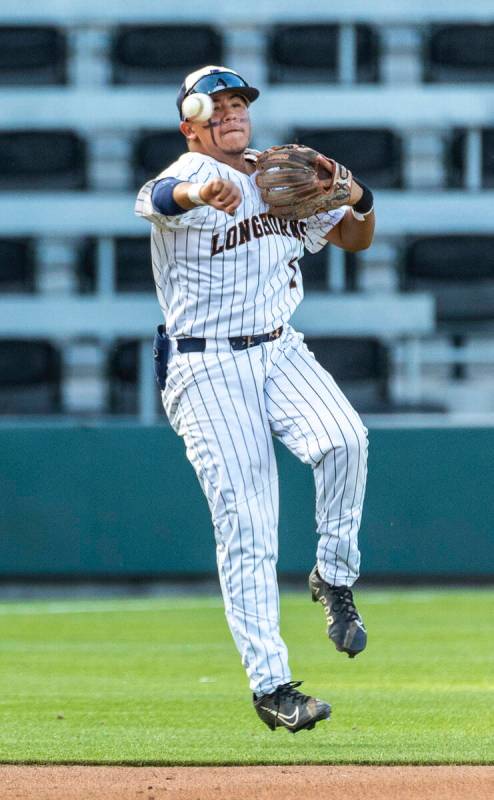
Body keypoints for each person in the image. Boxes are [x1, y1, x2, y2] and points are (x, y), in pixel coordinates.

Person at [135, 65, 375, 734]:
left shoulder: (282, 176)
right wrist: (197, 188)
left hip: (277, 345)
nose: (231, 112)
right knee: (250, 525)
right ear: (192, 125)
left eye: (239, 102)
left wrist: (358, 194)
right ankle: (273, 687)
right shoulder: (185, 174)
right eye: (216, 106)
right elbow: (158, 199)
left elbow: (358, 239)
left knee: (345, 439)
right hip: (206, 366)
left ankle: (334, 577)